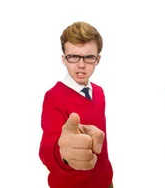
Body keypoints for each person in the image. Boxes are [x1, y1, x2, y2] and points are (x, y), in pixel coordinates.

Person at [39, 21, 114, 188]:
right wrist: (63, 153)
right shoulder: (53, 97)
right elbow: (47, 148)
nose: (81, 64)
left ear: (98, 60)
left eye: (88, 57)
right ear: (64, 59)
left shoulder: (99, 92)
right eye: (73, 57)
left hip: (105, 181)